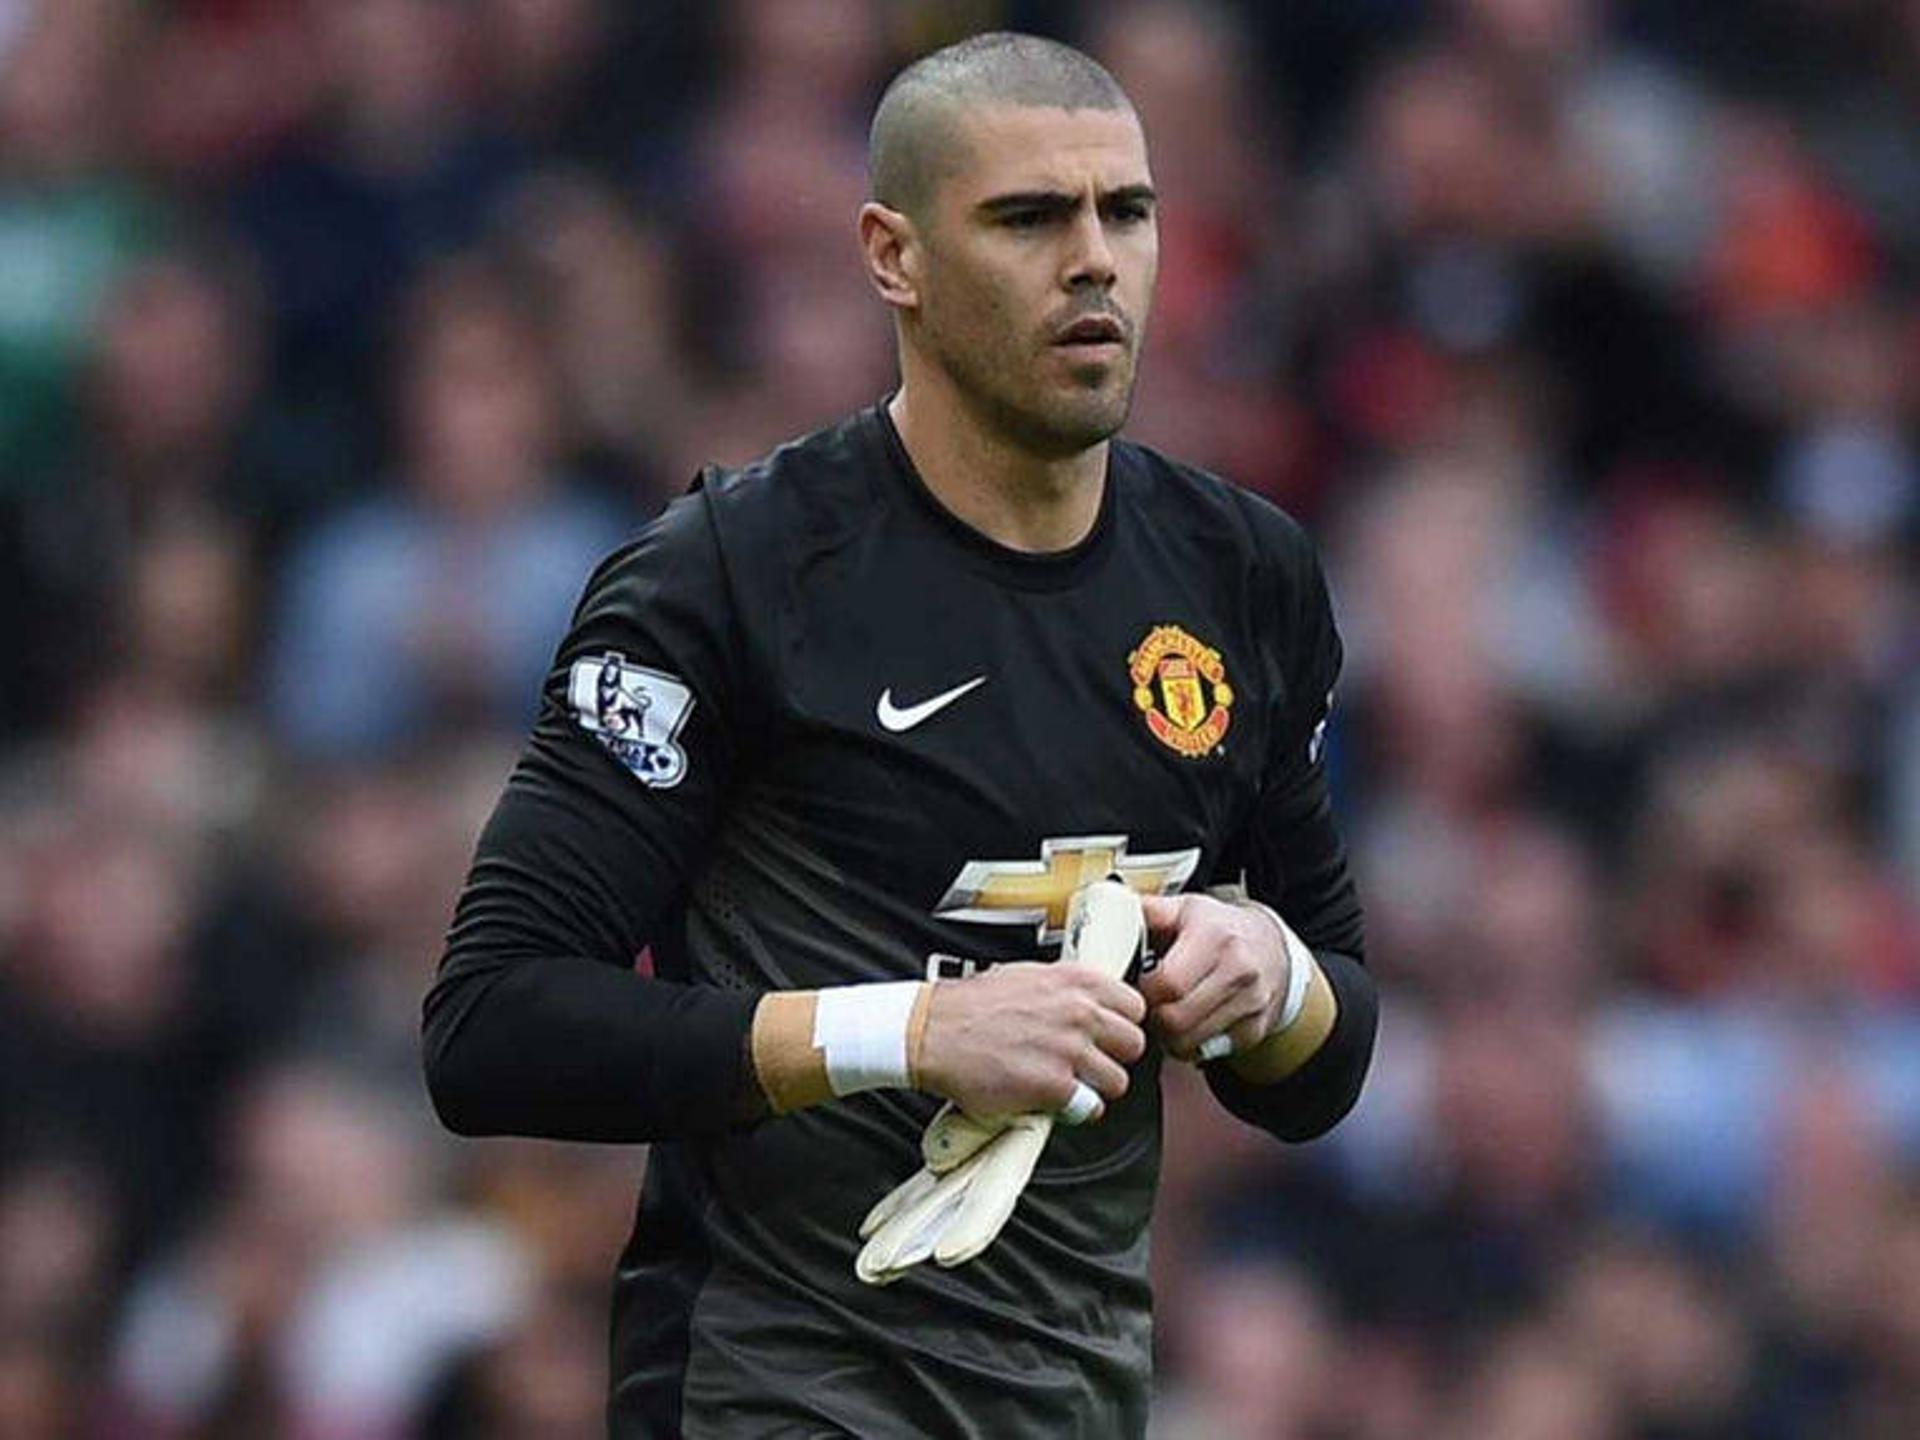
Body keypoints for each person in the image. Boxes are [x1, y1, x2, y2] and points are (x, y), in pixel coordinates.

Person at [422, 31, 1376, 1438]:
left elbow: (1327, 1062)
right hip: (772, 1394)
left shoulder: (1241, 574)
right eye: (1030, 218)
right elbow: (491, 1028)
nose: (1096, 260)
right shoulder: (731, 577)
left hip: (1074, 1403)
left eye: (1129, 211)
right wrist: (916, 1032)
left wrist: (1272, 980)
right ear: (893, 255)